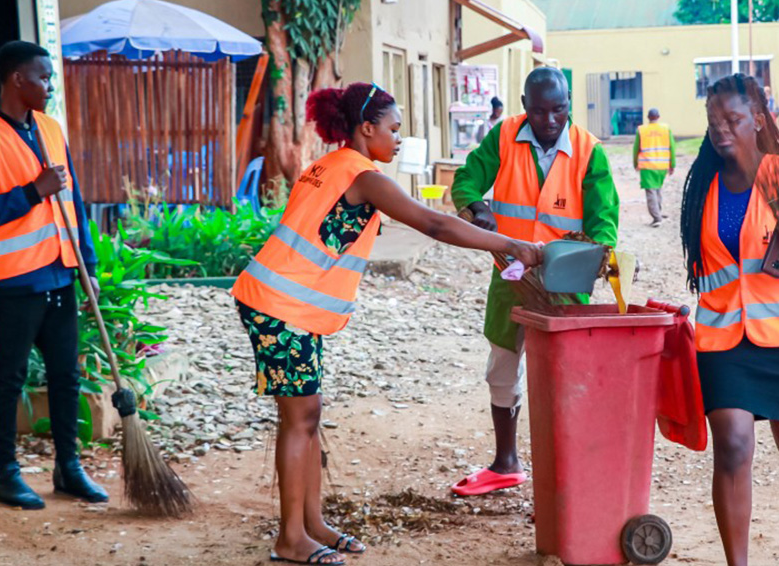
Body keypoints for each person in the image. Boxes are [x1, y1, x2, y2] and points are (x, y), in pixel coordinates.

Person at [230, 83, 541, 565]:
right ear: (366, 128)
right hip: (279, 305)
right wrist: (506, 243)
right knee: (300, 420)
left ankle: (312, 524)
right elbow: (434, 225)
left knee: (306, 418)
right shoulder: (363, 175)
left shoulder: (329, 165)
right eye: (394, 129)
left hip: (283, 303)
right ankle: (291, 538)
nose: (399, 139)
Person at [680, 74, 779, 566]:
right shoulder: (703, 189)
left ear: (757, 118)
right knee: (731, 445)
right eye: (714, 123)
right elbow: (703, 267)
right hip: (722, 340)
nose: (722, 131)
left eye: (732, 120)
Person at [449, 67, 619, 497]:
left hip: (567, 283)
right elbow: (467, 178)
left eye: (559, 110)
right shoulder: (505, 136)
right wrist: (475, 206)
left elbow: (604, 219)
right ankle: (507, 462)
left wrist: (599, 253)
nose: (549, 121)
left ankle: (571, 464)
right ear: (525, 107)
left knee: (568, 373)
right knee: (502, 366)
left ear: (569, 106)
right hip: (510, 275)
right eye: (540, 111)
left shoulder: (587, 151)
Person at [0, 41, 108, 510]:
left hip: (61, 275)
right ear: (17, 81)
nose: (50, 86)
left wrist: (87, 265)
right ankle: (5, 474)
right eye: (44, 78)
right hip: (16, 282)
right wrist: (33, 191)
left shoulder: (50, 128)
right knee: (9, 378)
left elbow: (75, 203)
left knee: (66, 376)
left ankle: (69, 468)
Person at [633, 108, 675, 226]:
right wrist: (672, 165)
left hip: (647, 166)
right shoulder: (666, 129)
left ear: (648, 117)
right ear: (658, 116)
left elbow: (636, 148)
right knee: (657, 189)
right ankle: (658, 213)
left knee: (651, 191)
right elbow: (672, 147)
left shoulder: (642, 130)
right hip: (662, 166)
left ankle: (657, 218)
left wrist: (635, 163)